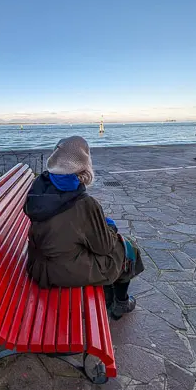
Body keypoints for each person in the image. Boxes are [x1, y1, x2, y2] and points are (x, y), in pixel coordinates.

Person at [23, 136, 143, 320]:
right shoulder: (83, 202)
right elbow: (104, 246)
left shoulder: (41, 186)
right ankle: (121, 303)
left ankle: (111, 294)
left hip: (37, 265)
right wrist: (109, 226)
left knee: (101, 246)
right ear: (84, 166)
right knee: (126, 248)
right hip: (58, 272)